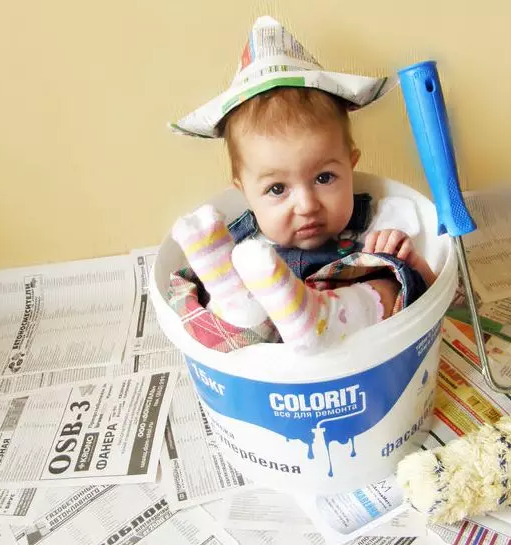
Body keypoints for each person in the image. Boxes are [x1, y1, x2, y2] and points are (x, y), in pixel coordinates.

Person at [168, 16, 436, 353]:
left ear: (351, 167)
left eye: (324, 178)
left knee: (390, 283)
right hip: (269, 357)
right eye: (277, 189)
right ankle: (236, 302)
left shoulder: (375, 223)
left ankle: (319, 318)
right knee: (206, 296)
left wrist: (409, 261)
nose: (307, 205)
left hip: (347, 340)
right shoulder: (239, 245)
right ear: (244, 191)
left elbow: (433, 295)